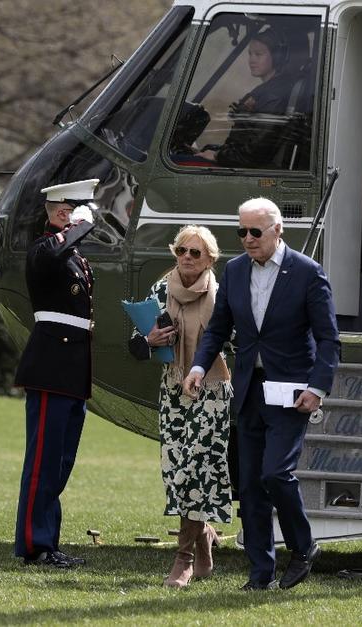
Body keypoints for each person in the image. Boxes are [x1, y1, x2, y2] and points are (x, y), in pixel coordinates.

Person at [183, 197, 340, 591]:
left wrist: (318, 387)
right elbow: (218, 328)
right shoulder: (235, 271)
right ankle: (260, 574)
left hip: (293, 392)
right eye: (242, 232)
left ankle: (303, 548)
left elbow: (328, 340)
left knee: (276, 473)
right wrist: (199, 366)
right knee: (251, 485)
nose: (248, 239)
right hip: (249, 392)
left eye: (255, 231)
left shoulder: (307, 273)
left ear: (277, 230)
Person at [127, 225, 234, 588]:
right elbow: (136, 345)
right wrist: (149, 339)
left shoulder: (222, 295)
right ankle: (202, 536)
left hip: (211, 392)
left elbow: (238, 344)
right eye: (181, 251)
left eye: (195, 253)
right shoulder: (161, 288)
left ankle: (183, 559)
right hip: (173, 392)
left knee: (198, 470)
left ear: (210, 259)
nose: (187, 258)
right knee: (177, 471)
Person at [13, 178, 99, 569]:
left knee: (60, 462)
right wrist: (78, 227)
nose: (92, 218)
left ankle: (48, 542)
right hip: (51, 368)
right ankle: (34, 545)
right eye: (86, 210)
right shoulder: (45, 248)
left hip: (71, 371)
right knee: (44, 461)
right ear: (65, 212)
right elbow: (48, 255)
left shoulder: (73, 255)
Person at [194, 27, 304, 168]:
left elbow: (254, 154)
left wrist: (217, 155)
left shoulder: (273, 96)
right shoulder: (267, 90)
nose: (252, 60)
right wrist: (213, 151)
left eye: (258, 54)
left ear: (277, 57)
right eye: (250, 54)